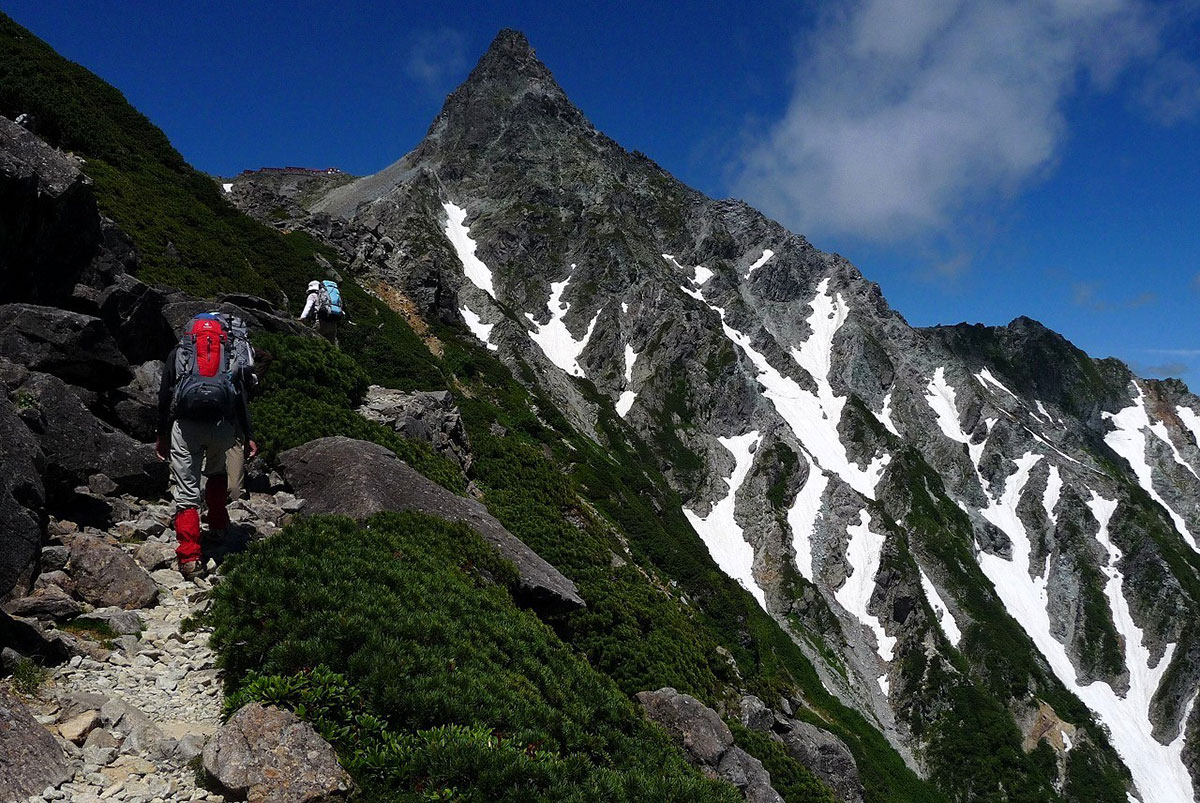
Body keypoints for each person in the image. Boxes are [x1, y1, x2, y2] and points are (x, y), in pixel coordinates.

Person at [155, 313, 257, 578]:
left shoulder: (180, 353)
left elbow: (165, 396)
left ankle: (189, 557)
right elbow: (241, 396)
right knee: (217, 471)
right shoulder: (229, 353)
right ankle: (219, 525)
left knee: (187, 491)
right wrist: (249, 434)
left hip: (186, 426)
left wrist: (162, 434)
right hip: (222, 425)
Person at [299, 279, 344, 344]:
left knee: (312, 343)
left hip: (320, 322)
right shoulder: (327, 295)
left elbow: (308, 307)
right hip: (333, 324)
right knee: (329, 348)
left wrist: (302, 318)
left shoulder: (312, 295)